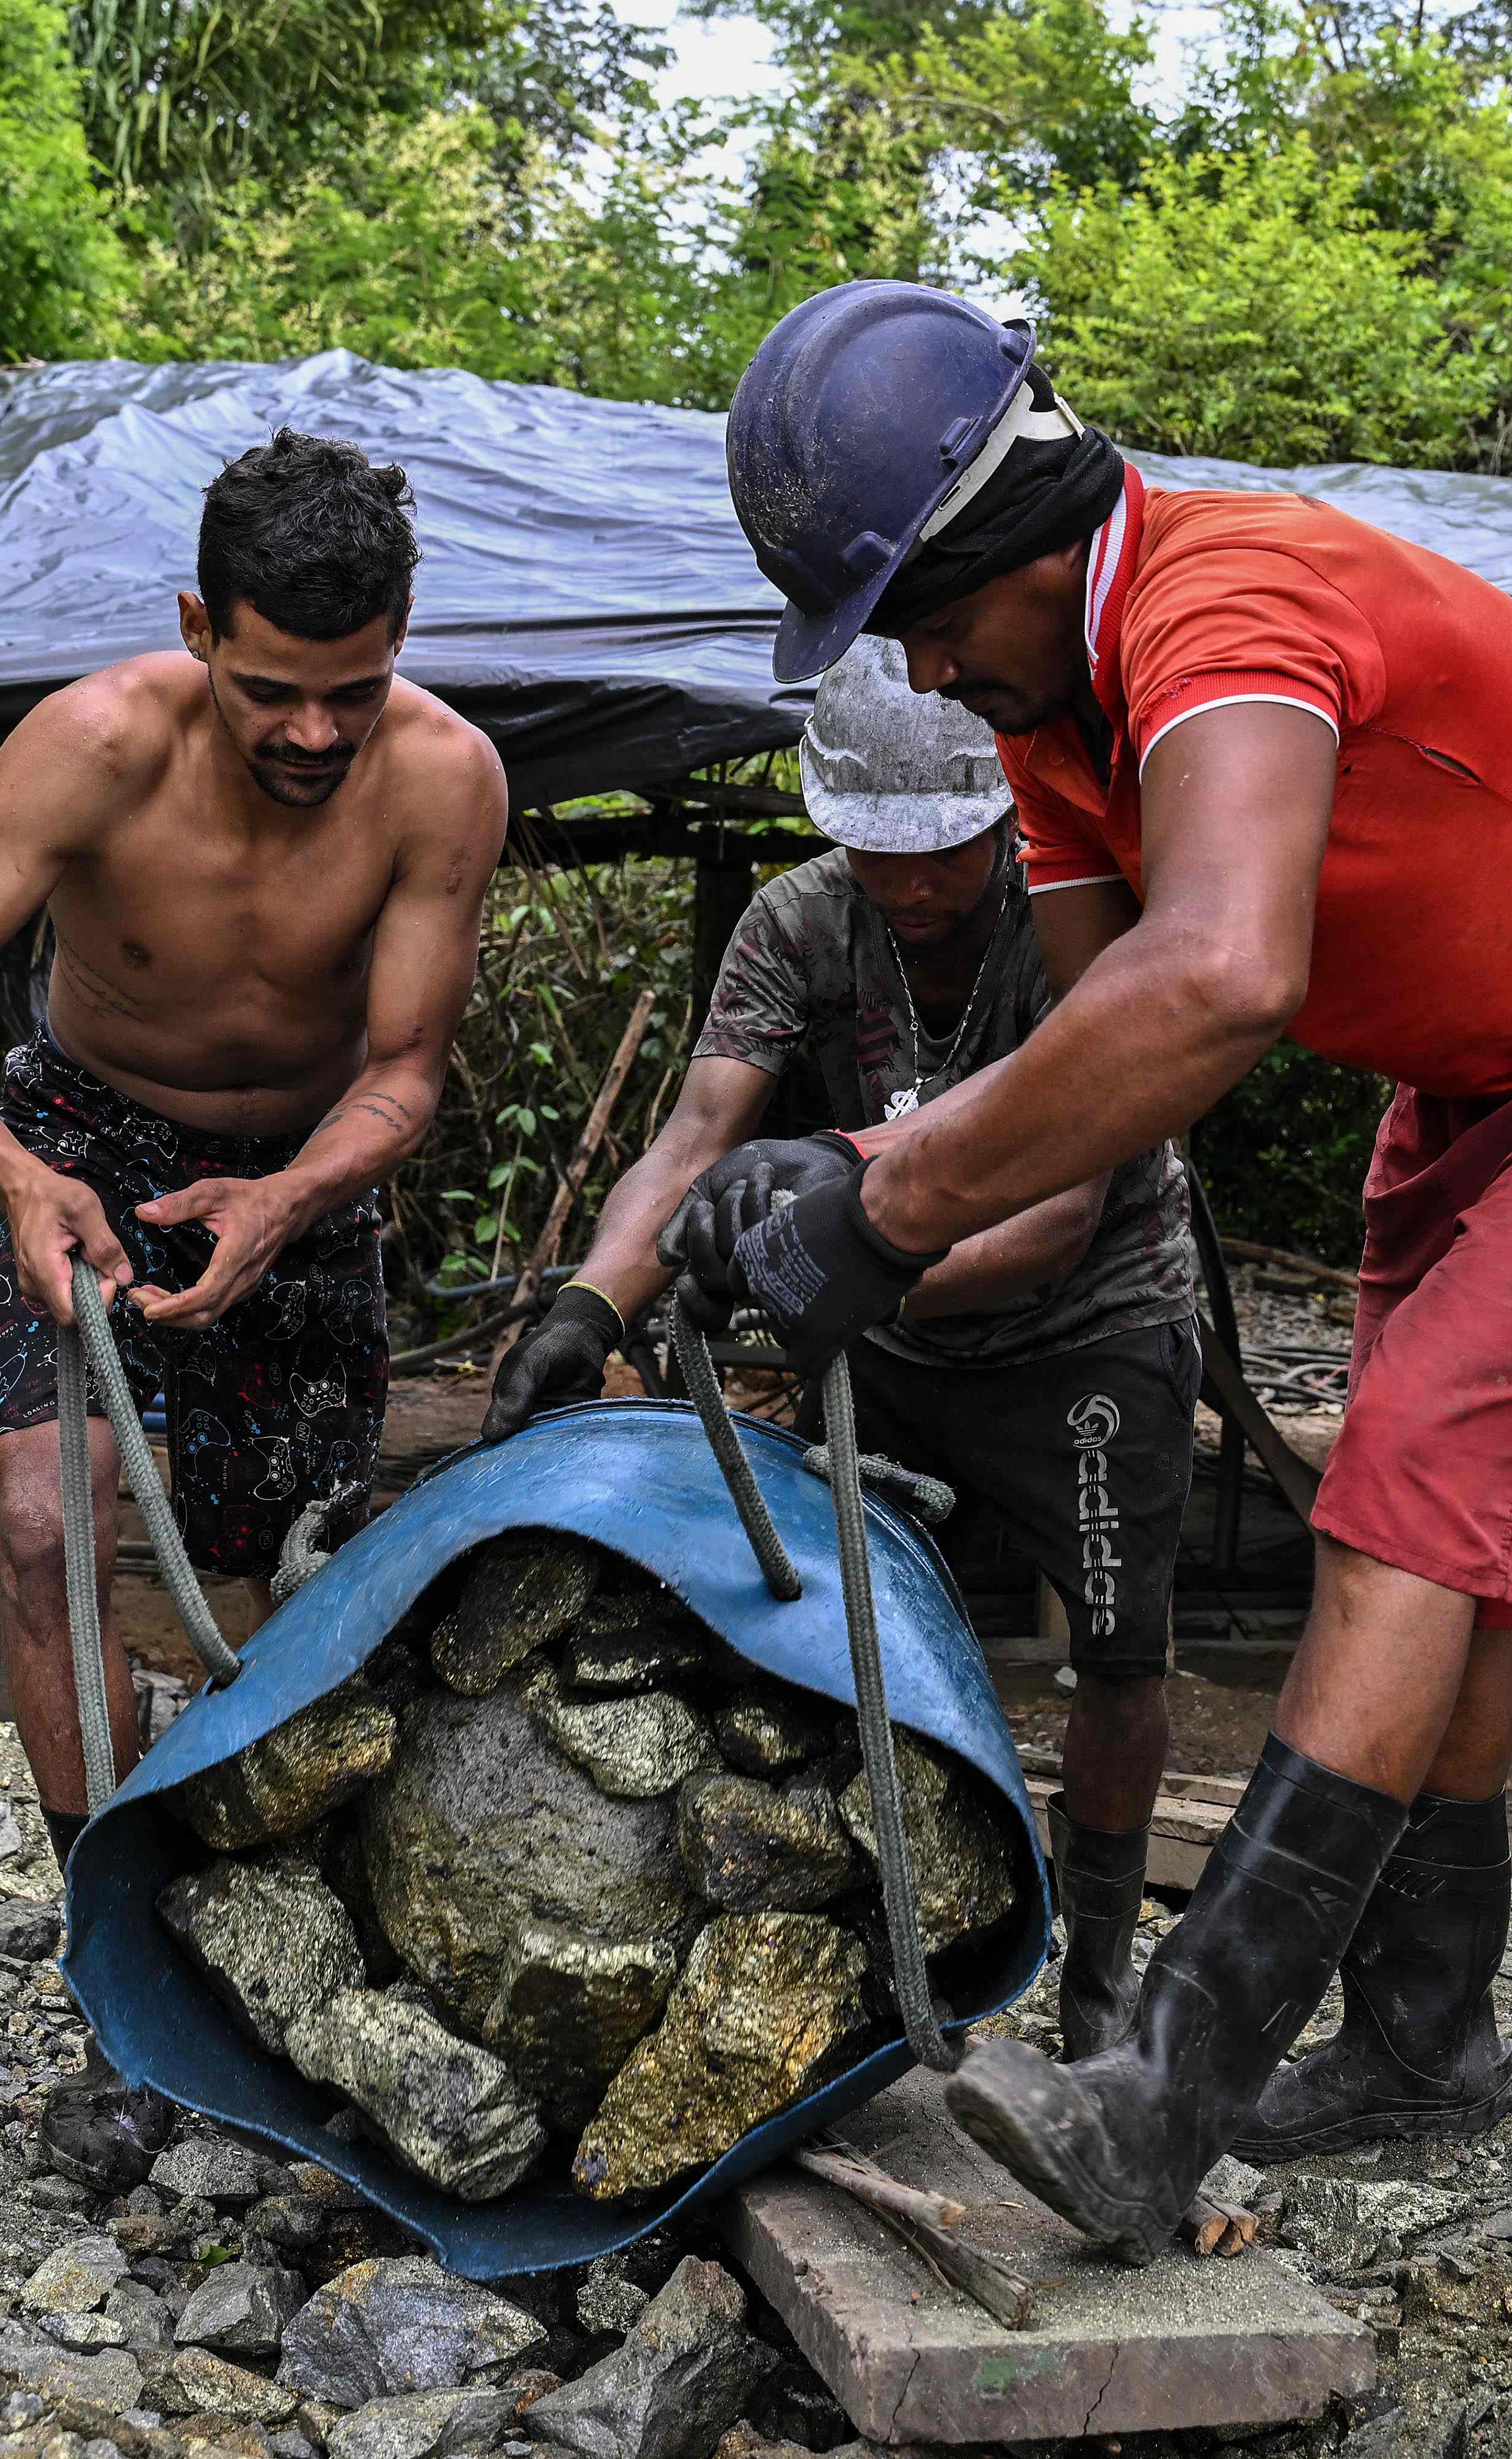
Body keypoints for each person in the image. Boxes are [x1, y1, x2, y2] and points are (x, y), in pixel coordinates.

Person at [679, 282, 1512, 2260]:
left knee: (1416, 1497)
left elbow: (1222, 977)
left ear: (1018, 534)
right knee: (1433, 1540)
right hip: (1493, 1067)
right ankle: (1423, 2039)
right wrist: (846, 1167)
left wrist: (881, 1218)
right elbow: (1099, 1065)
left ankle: (1169, 2091)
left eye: (925, 612)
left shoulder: (1222, 601)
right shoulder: (1055, 734)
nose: (919, 665)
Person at [478, 636, 1198, 2059]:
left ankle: (1102, 1977)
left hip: (1088, 1324)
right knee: (838, 1617)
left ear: (1002, 814)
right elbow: (699, 1136)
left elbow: (1058, 1213)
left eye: (946, 852)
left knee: (1120, 1652)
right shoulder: (799, 925)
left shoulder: (1075, 918)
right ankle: (876, 1943)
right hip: (886, 1333)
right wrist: (590, 1308)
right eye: (882, 853)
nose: (915, 883)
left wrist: (841, 1274)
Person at [0, 428, 508, 1864]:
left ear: (402, 637)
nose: (314, 735)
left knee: (296, 1561)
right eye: (271, 692)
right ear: (200, 627)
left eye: (354, 693)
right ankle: (108, 1889)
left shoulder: (446, 778)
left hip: (306, 1162)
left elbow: (402, 1071)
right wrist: (18, 1176)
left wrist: (292, 1195)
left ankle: (295, 1885)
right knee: (41, 1524)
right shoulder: (93, 747)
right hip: (82, 1140)